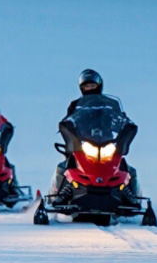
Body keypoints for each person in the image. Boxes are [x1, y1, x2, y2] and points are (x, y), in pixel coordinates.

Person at [51, 68, 140, 197]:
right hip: (82, 143)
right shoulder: (76, 105)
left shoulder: (110, 104)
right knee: (64, 166)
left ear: (99, 85)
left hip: (107, 142)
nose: (89, 88)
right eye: (86, 86)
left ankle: (133, 198)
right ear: (82, 88)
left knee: (127, 168)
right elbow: (69, 119)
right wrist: (67, 126)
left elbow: (119, 118)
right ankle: (56, 196)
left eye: (92, 85)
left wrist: (126, 124)